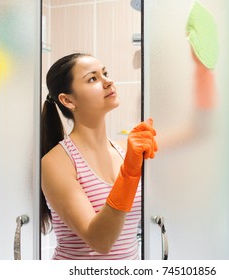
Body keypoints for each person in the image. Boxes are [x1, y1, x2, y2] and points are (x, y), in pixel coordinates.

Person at [40, 53, 158, 260]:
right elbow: (100, 241)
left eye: (105, 73)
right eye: (92, 78)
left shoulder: (123, 150)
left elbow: (194, 132)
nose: (108, 81)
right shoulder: (56, 163)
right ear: (67, 100)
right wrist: (129, 172)